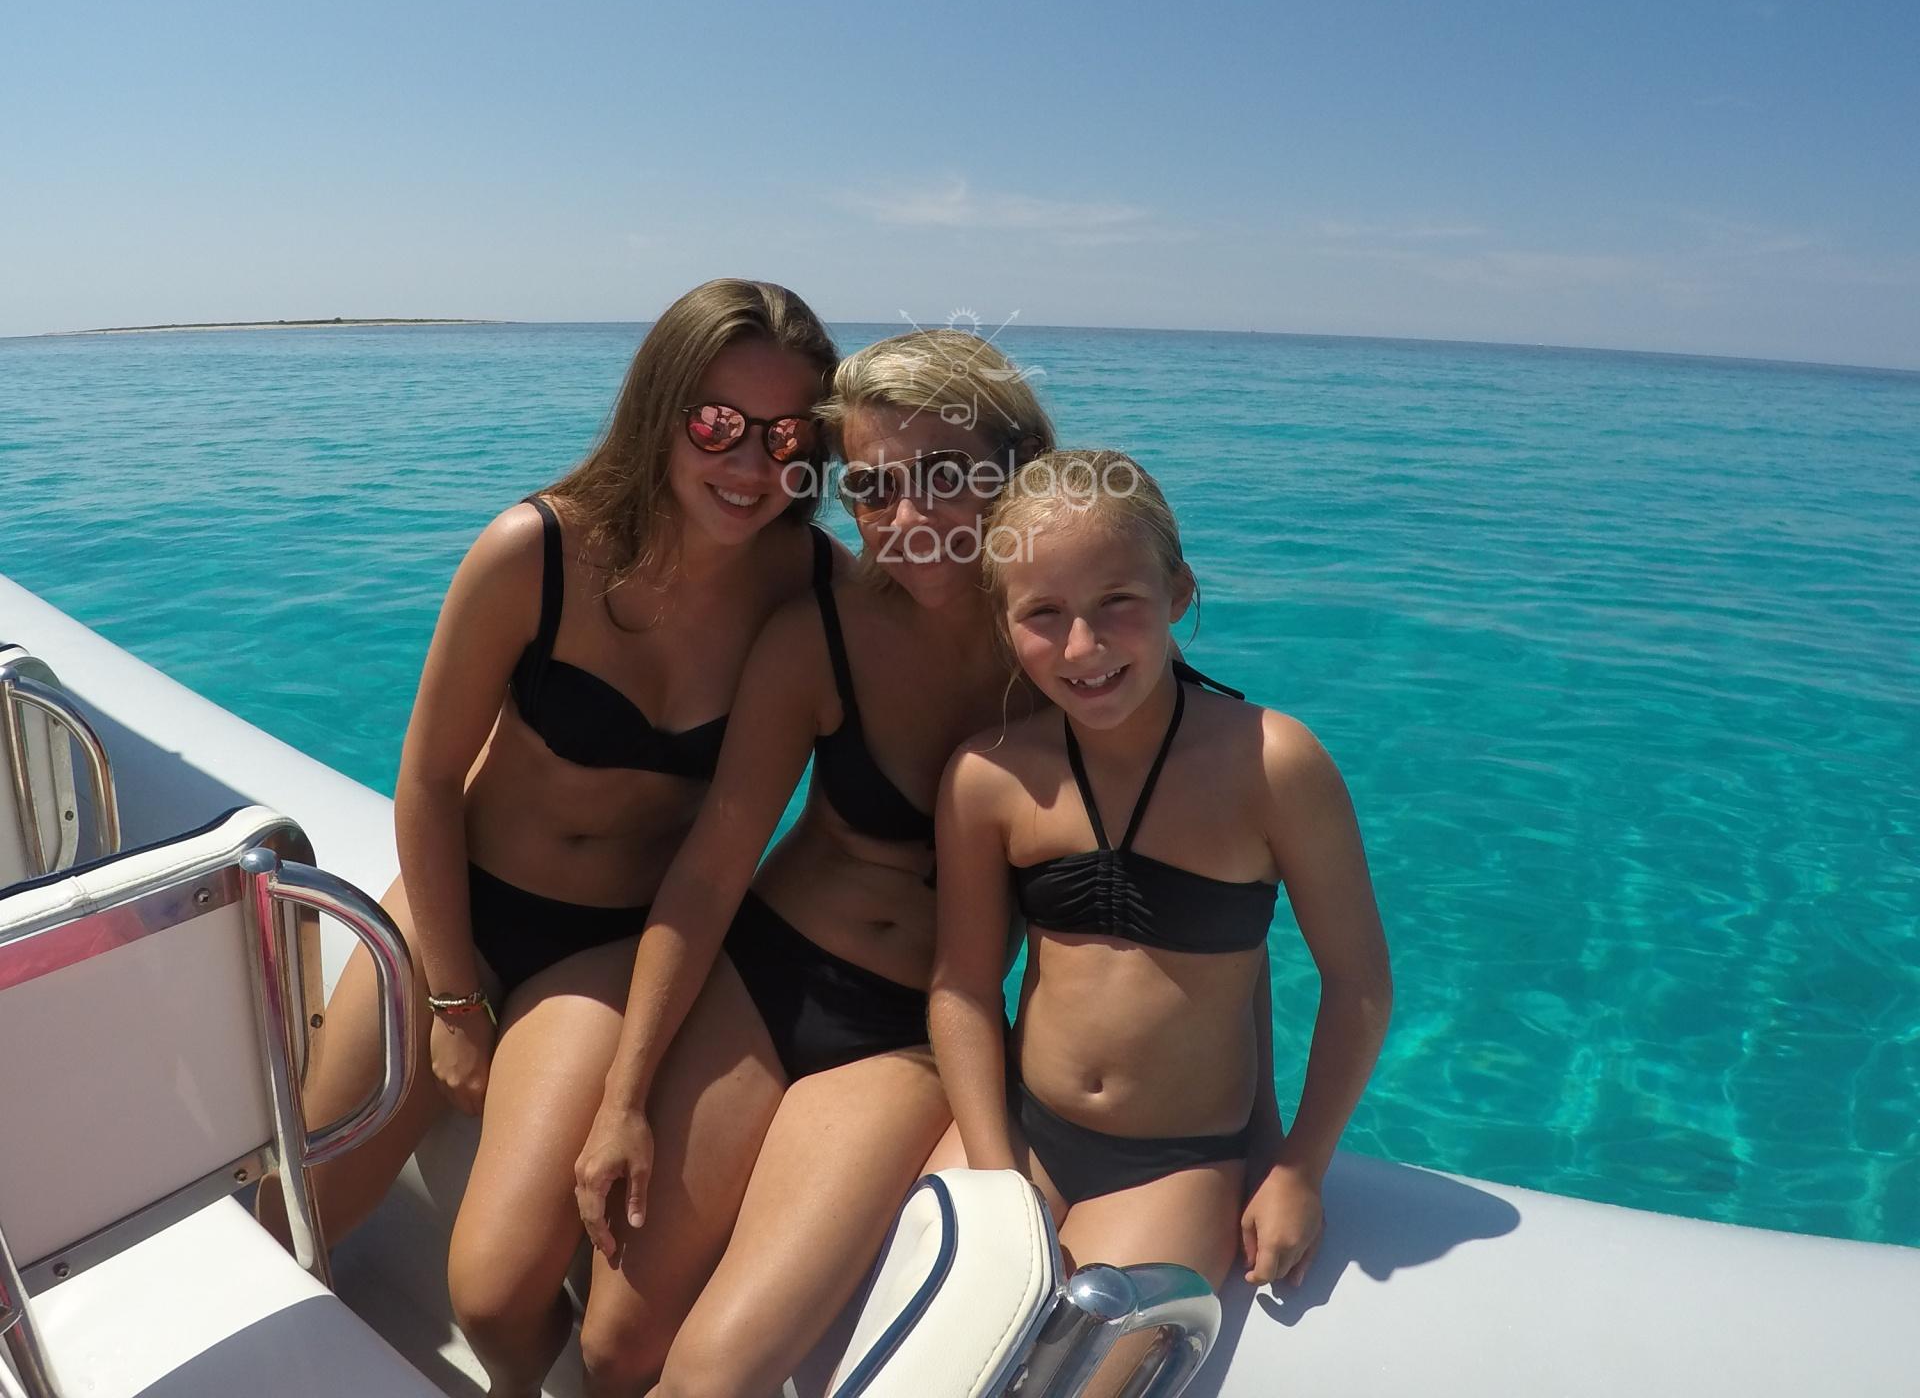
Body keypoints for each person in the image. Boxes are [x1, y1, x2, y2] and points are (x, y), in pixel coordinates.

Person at [261, 279, 840, 1398]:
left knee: (493, 1292)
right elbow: (429, 780)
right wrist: (450, 1002)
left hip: (614, 949)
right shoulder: (537, 549)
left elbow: (943, 629)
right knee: (296, 1219)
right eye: (718, 424)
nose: (750, 464)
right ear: (660, 409)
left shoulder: (809, 588)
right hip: (460, 905)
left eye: (785, 437)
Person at [571, 329, 1055, 1398]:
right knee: (613, 1351)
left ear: (1016, 465)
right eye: (873, 489)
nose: (908, 518)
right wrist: (623, 1095)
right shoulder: (817, 635)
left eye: (944, 476)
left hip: (914, 1034)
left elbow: (1168, 880)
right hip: (765, 977)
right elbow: (712, 868)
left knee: (713, 1376)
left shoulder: (1071, 654)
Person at [930, 448, 1392, 1308]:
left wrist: (1300, 1166)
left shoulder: (1272, 764)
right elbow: (961, 985)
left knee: (1080, 1362)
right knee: (924, 1348)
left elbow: (1358, 984)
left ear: (1178, 593)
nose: (1084, 645)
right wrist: (995, 1174)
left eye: (1118, 602)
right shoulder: (990, 777)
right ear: (1004, 623)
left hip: (1179, 1159)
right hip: (1020, 1131)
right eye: (1044, 613)